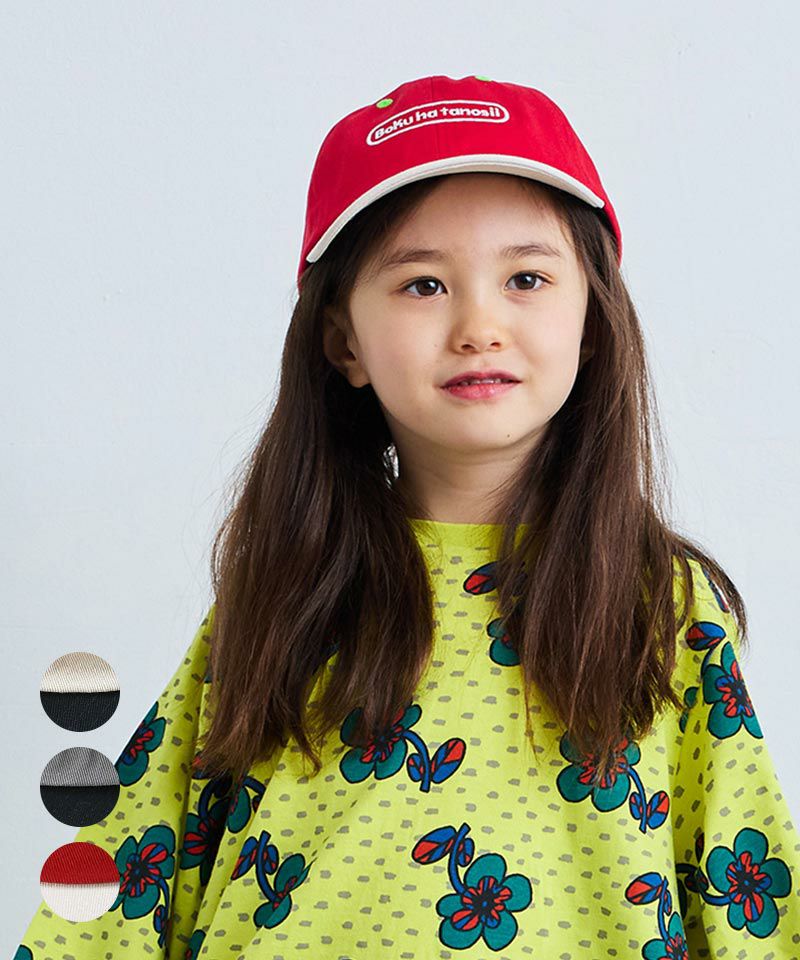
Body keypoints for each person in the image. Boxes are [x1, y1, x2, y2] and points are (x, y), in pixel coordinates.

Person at [14, 73, 800, 959]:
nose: (478, 325)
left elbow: (754, 906)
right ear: (343, 340)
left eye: (527, 278)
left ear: (592, 319)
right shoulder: (290, 595)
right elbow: (120, 886)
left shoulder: (662, 605)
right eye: (423, 284)